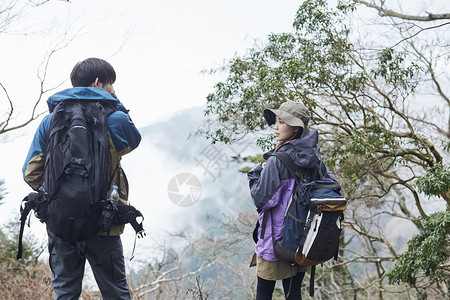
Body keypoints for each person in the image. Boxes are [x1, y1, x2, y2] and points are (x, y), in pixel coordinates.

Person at [22, 57, 141, 299]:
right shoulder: (115, 119)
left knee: (65, 292)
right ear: (98, 83)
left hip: (61, 223)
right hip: (103, 223)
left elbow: (31, 173)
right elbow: (134, 141)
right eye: (110, 84)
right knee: (116, 293)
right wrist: (113, 103)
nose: (114, 90)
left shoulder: (51, 120)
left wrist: (61, 194)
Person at [248, 100, 334, 299]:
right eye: (276, 122)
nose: (276, 127)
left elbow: (261, 199)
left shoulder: (277, 161)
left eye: (282, 122)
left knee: (264, 293)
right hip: (301, 238)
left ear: (295, 128)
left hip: (274, 241)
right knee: (293, 293)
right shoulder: (314, 158)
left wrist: (255, 174)